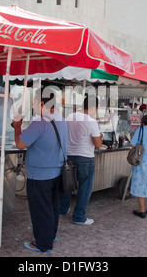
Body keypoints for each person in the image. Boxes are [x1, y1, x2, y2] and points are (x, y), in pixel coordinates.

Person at [13, 89, 69, 253]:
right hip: (58, 172)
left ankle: (43, 244)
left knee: (41, 210)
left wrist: (17, 127)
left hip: (40, 175)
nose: (33, 105)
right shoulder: (61, 120)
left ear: (42, 103)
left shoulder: (40, 122)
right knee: (52, 206)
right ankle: (50, 235)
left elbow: (20, 144)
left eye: (34, 102)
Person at [60, 96, 102, 225]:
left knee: (67, 185)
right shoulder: (91, 121)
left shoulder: (70, 117)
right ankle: (79, 216)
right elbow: (98, 144)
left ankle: (62, 209)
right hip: (85, 157)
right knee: (85, 187)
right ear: (93, 107)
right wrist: (100, 136)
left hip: (68, 156)